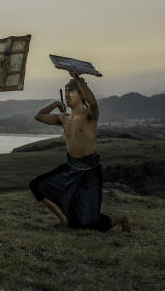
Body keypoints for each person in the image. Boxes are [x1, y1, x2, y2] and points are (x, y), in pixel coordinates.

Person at [29, 73, 131, 232]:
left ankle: (121, 218)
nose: (68, 94)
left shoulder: (90, 115)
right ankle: (63, 220)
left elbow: (93, 102)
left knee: (88, 224)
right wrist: (56, 104)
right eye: (66, 90)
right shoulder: (64, 118)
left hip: (90, 171)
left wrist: (76, 77)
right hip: (71, 168)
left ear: (81, 94)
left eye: (71, 91)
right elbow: (39, 116)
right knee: (37, 185)